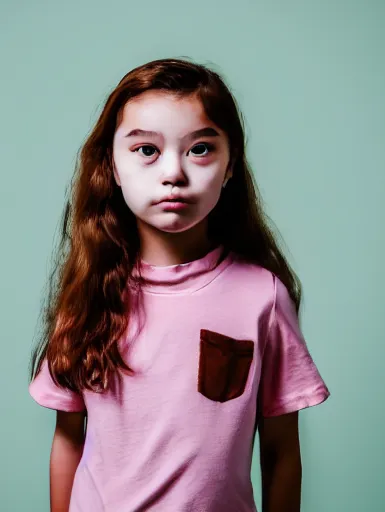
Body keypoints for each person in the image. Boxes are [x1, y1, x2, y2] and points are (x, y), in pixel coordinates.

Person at [28, 57, 330, 512]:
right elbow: (68, 438)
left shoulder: (261, 297)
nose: (173, 173)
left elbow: (282, 451)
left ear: (231, 166)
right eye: (146, 150)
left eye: (200, 149)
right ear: (111, 165)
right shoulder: (88, 295)